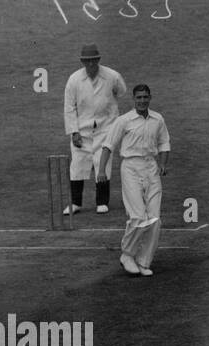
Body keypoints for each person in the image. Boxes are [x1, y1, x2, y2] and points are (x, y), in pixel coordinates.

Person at [98, 84, 170, 276]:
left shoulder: (158, 119)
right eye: (139, 97)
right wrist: (101, 171)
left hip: (151, 168)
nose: (142, 101)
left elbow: (164, 143)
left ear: (150, 97)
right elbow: (108, 145)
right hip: (130, 167)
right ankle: (127, 254)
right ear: (134, 99)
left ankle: (143, 261)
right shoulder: (124, 120)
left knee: (154, 219)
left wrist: (163, 163)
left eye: (145, 97)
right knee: (138, 216)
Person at [63, 44, 127, 216]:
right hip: (81, 130)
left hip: (106, 127)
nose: (90, 64)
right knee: (77, 165)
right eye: (87, 61)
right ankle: (75, 203)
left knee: (102, 164)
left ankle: (102, 202)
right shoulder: (74, 79)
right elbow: (69, 107)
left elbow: (121, 91)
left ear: (98, 59)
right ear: (82, 61)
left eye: (93, 60)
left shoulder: (112, 76)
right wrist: (73, 132)